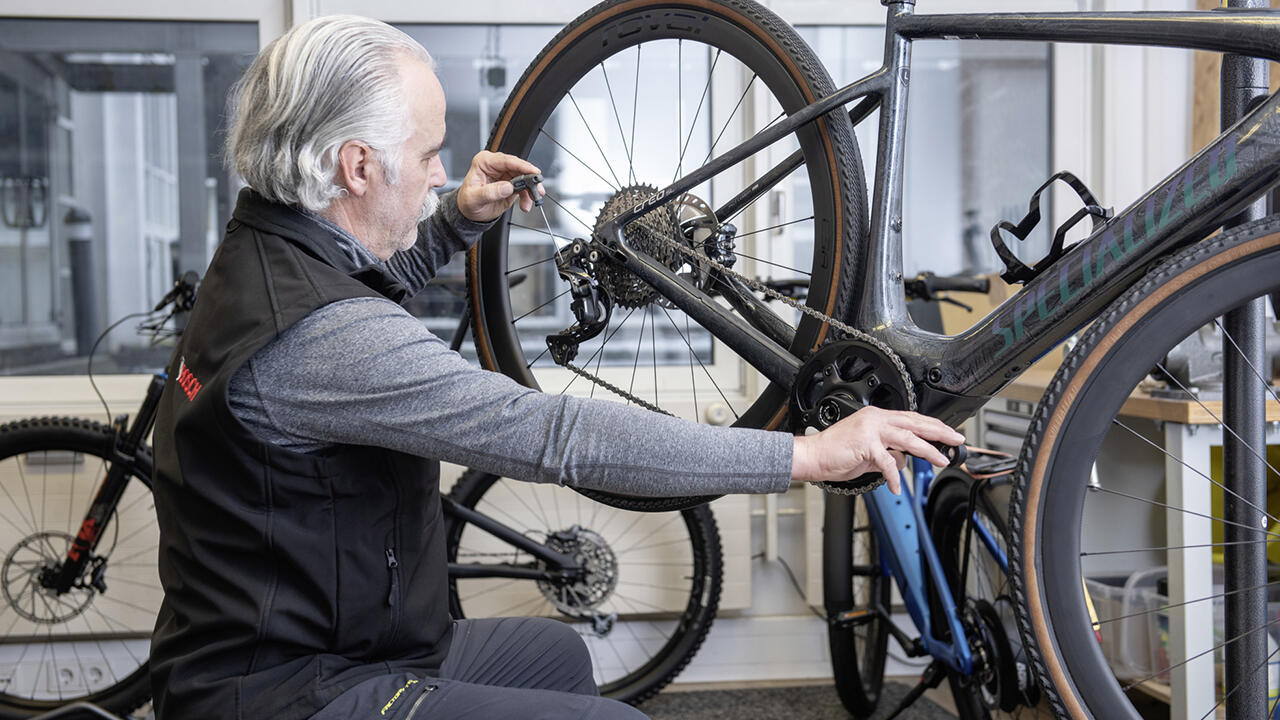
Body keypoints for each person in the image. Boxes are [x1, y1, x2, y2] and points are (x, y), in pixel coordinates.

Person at [149, 15, 964, 720]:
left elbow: (359, 284)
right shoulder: (323, 341)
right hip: (286, 692)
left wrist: (455, 222)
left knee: (555, 660)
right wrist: (806, 458)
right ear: (357, 167)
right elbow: (555, 435)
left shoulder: (264, 254)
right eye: (430, 153)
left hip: (332, 638)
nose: (442, 171)